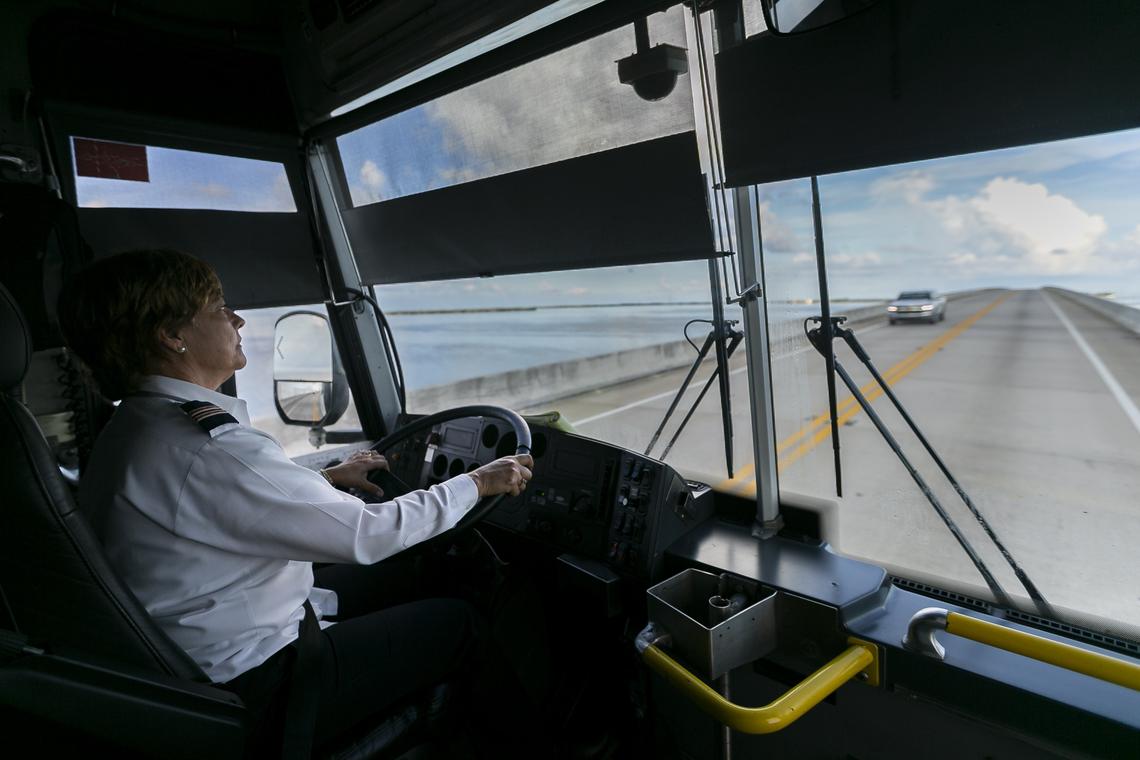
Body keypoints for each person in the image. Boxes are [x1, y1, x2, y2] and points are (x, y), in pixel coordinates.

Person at [58, 249, 533, 756]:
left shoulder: (136, 425)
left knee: (421, 569)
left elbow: (227, 502)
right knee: (459, 625)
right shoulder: (207, 444)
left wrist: (328, 478)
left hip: (197, 652)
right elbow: (368, 535)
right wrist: (477, 483)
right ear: (172, 336)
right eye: (219, 308)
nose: (237, 319)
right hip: (258, 682)